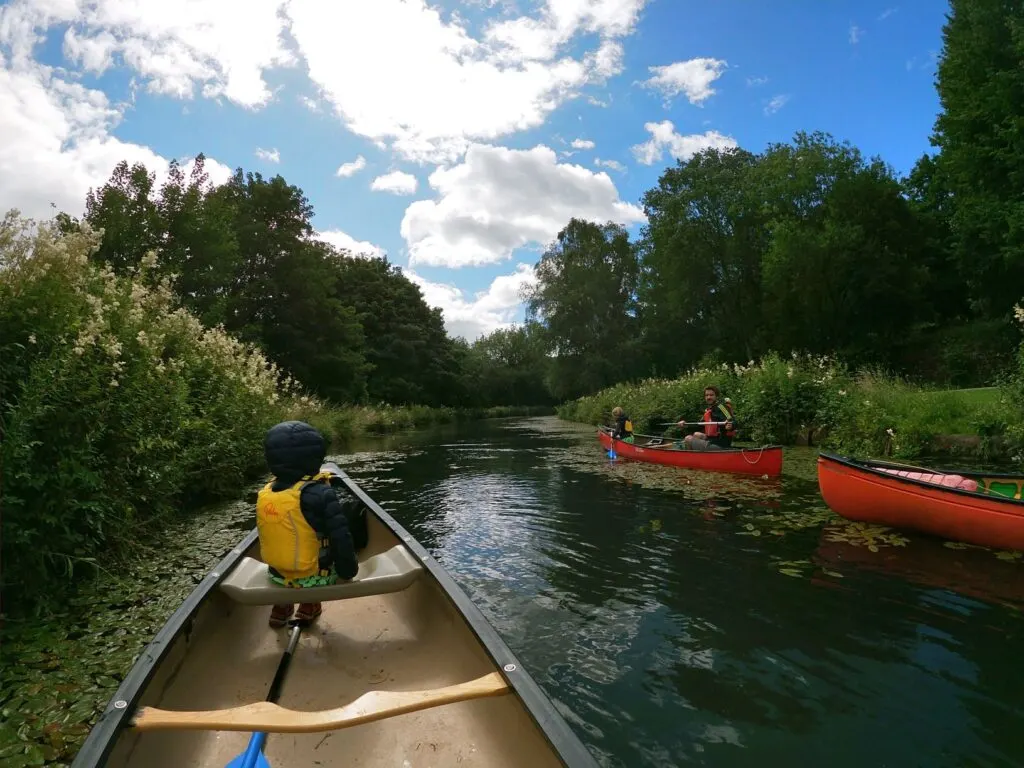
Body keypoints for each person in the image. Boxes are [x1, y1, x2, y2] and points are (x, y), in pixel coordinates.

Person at [256, 420, 367, 628]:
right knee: (320, 557)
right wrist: (348, 571)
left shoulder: (267, 491)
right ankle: (309, 605)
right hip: (314, 578)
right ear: (315, 457)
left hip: (276, 574)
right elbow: (341, 537)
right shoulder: (322, 493)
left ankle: (281, 609)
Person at [678, 386, 738, 451]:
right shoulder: (708, 410)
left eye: (711, 395)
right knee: (696, 434)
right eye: (706, 395)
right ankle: (699, 457)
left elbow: (733, 421)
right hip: (712, 440)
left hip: (720, 445)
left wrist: (731, 425)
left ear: (716, 396)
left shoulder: (722, 407)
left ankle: (690, 459)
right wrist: (686, 425)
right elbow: (699, 426)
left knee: (688, 439)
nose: (709, 397)